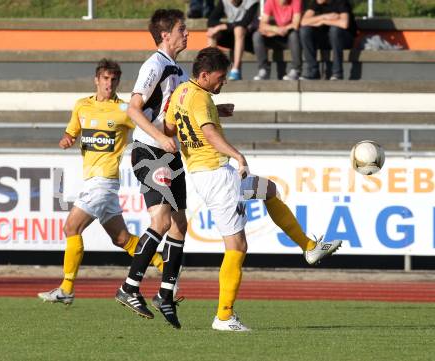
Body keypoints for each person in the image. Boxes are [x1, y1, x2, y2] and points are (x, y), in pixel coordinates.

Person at [165, 47, 342, 331]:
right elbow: (208, 134)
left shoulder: (183, 92)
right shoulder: (199, 99)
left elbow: (171, 127)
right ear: (205, 74)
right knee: (236, 246)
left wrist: (215, 112)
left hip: (204, 173)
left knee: (269, 190)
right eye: (220, 78)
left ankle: (309, 247)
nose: (223, 82)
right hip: (218, 175)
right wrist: (238, 156)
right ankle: (224, 316)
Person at [37, 59, 164, 305]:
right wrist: (67, 139)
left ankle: (66, 289)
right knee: (122, 239)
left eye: (114, 79)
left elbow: (149, 124)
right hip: (94, 182)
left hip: (104, 181)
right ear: (97, 79)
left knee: (71, 229)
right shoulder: (81, 106)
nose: (109, 83)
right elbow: (71, 132)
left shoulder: (125, 110)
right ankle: (164, 263)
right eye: (105, 79)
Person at [114, 9, 189, 330]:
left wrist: (217, 111)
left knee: (180, 225)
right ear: (165, 36)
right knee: (160, 220)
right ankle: (129, 287)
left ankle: (165, 293)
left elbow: (178, 111)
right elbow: (133, 108)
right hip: (150, 151)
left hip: (169, 153)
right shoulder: (154, 64)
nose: (187, 33)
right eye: (182, 29)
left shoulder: (178, 69)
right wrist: (159, 136)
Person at [299, 0, 357, 80]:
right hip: (326, 39)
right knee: (304, 30)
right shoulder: (316, 3)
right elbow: (303, 22)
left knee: (335, 30)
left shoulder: (341, 2)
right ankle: (313, 71)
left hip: (343, 40)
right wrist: (323, 17)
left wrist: (323, 21)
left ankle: (337, 73)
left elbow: (344, 24)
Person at [207, 0, 259, 80]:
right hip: (233, 35)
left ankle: (235, 70)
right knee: (212, 31)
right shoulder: (224, 2)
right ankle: (212, 68)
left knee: (239, 29)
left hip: (250, 39)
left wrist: (221, 27)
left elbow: (244, 22)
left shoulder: (252, 2)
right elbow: (211, 21)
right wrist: (219, 28)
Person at [252, 0, 302, 81]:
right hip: (275, 35)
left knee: (294, 35)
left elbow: (296, 24)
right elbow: (262, 25)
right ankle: (263, 70)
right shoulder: (270, 2)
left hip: (289, 36)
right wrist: (276, 29)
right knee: (257, 35)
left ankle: (296, 70)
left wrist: (283, 29)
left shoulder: (296, 1)